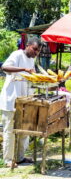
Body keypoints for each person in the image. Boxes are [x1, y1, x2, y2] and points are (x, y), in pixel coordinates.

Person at [0, 37, 41, 167]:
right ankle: (8, 160)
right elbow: (5, 68)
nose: (36, 53)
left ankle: (20, 158)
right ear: (28, 45)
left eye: (38, 51)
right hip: (10, 100)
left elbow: (30, 77)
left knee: (24, 130)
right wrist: (23, 69)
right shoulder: (17, 54)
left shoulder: (32, 60)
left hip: (24, 100)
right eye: (35, 49)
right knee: (9, 131)